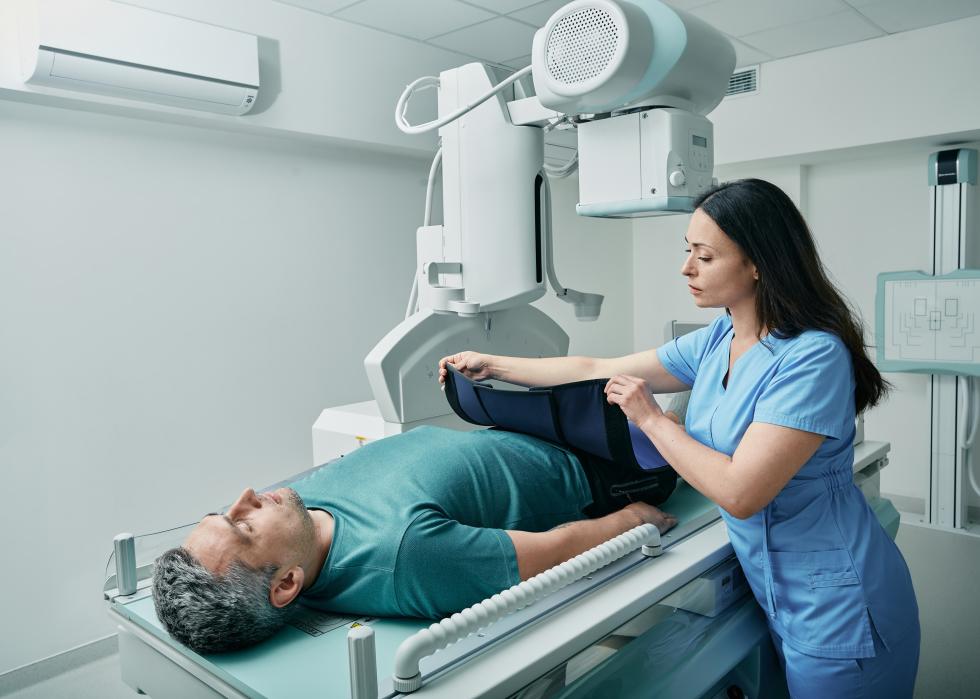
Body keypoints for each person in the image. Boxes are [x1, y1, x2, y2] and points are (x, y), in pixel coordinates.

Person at [440, 179, 920, 698]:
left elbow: (742, 491)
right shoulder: (722, 335)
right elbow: (597, 367)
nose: (686, 267)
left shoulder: (812, 356)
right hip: (779, 592)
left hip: (839, 606)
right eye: (687, 250)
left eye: (705, 255)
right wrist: (494, 366)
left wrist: (652, 420)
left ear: (758, 262)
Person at [152, 425, 677, 654]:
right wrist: (630, 520)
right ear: (287, 584)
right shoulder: (403, 557)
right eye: (242, 525)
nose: (247, 496)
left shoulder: (297, 512)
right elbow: (552, 554)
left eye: (227, 511)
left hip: (521, 426)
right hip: (602, 466)